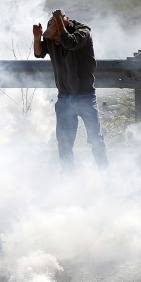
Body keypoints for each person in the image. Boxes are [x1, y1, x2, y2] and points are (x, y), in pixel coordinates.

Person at [33, 9, 108, 171]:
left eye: (54, 35)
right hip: (64, 97)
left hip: (85, 96)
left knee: (95, 139)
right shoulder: (53, 38)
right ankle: (68, 177)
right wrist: (37, 37)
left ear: (62, 26)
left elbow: (69, 42)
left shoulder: (83, 33)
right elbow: (39, 53)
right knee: (64, 142)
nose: (52, 39)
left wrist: (59, 20)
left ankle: (105, 176)